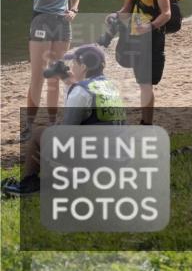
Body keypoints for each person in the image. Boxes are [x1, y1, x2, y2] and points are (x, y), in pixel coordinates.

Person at [2, 45, 124, 196]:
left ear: (84, 67)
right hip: (116, 159)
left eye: (74, 64)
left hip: (94, 162)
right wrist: (67, 82)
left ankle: (29, 184)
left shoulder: (81, 91)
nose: (72, 67)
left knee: (39, 133)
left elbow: (67, 133)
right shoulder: (109, 86)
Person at [106, 0, 171, 125]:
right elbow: (127, 9)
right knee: (141, 82)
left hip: (152, 37)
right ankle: (145, 121)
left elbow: (167, 13)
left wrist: (150, 26)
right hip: (134, 37)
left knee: (145, 83)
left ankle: (146, 124)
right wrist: (114, 16)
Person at [23, 0, 79, 141]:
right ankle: (29, 125)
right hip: (42, 20)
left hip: (62, 22)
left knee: (55, 75)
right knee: (38, 76)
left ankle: (53, 123)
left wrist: (74, 10)